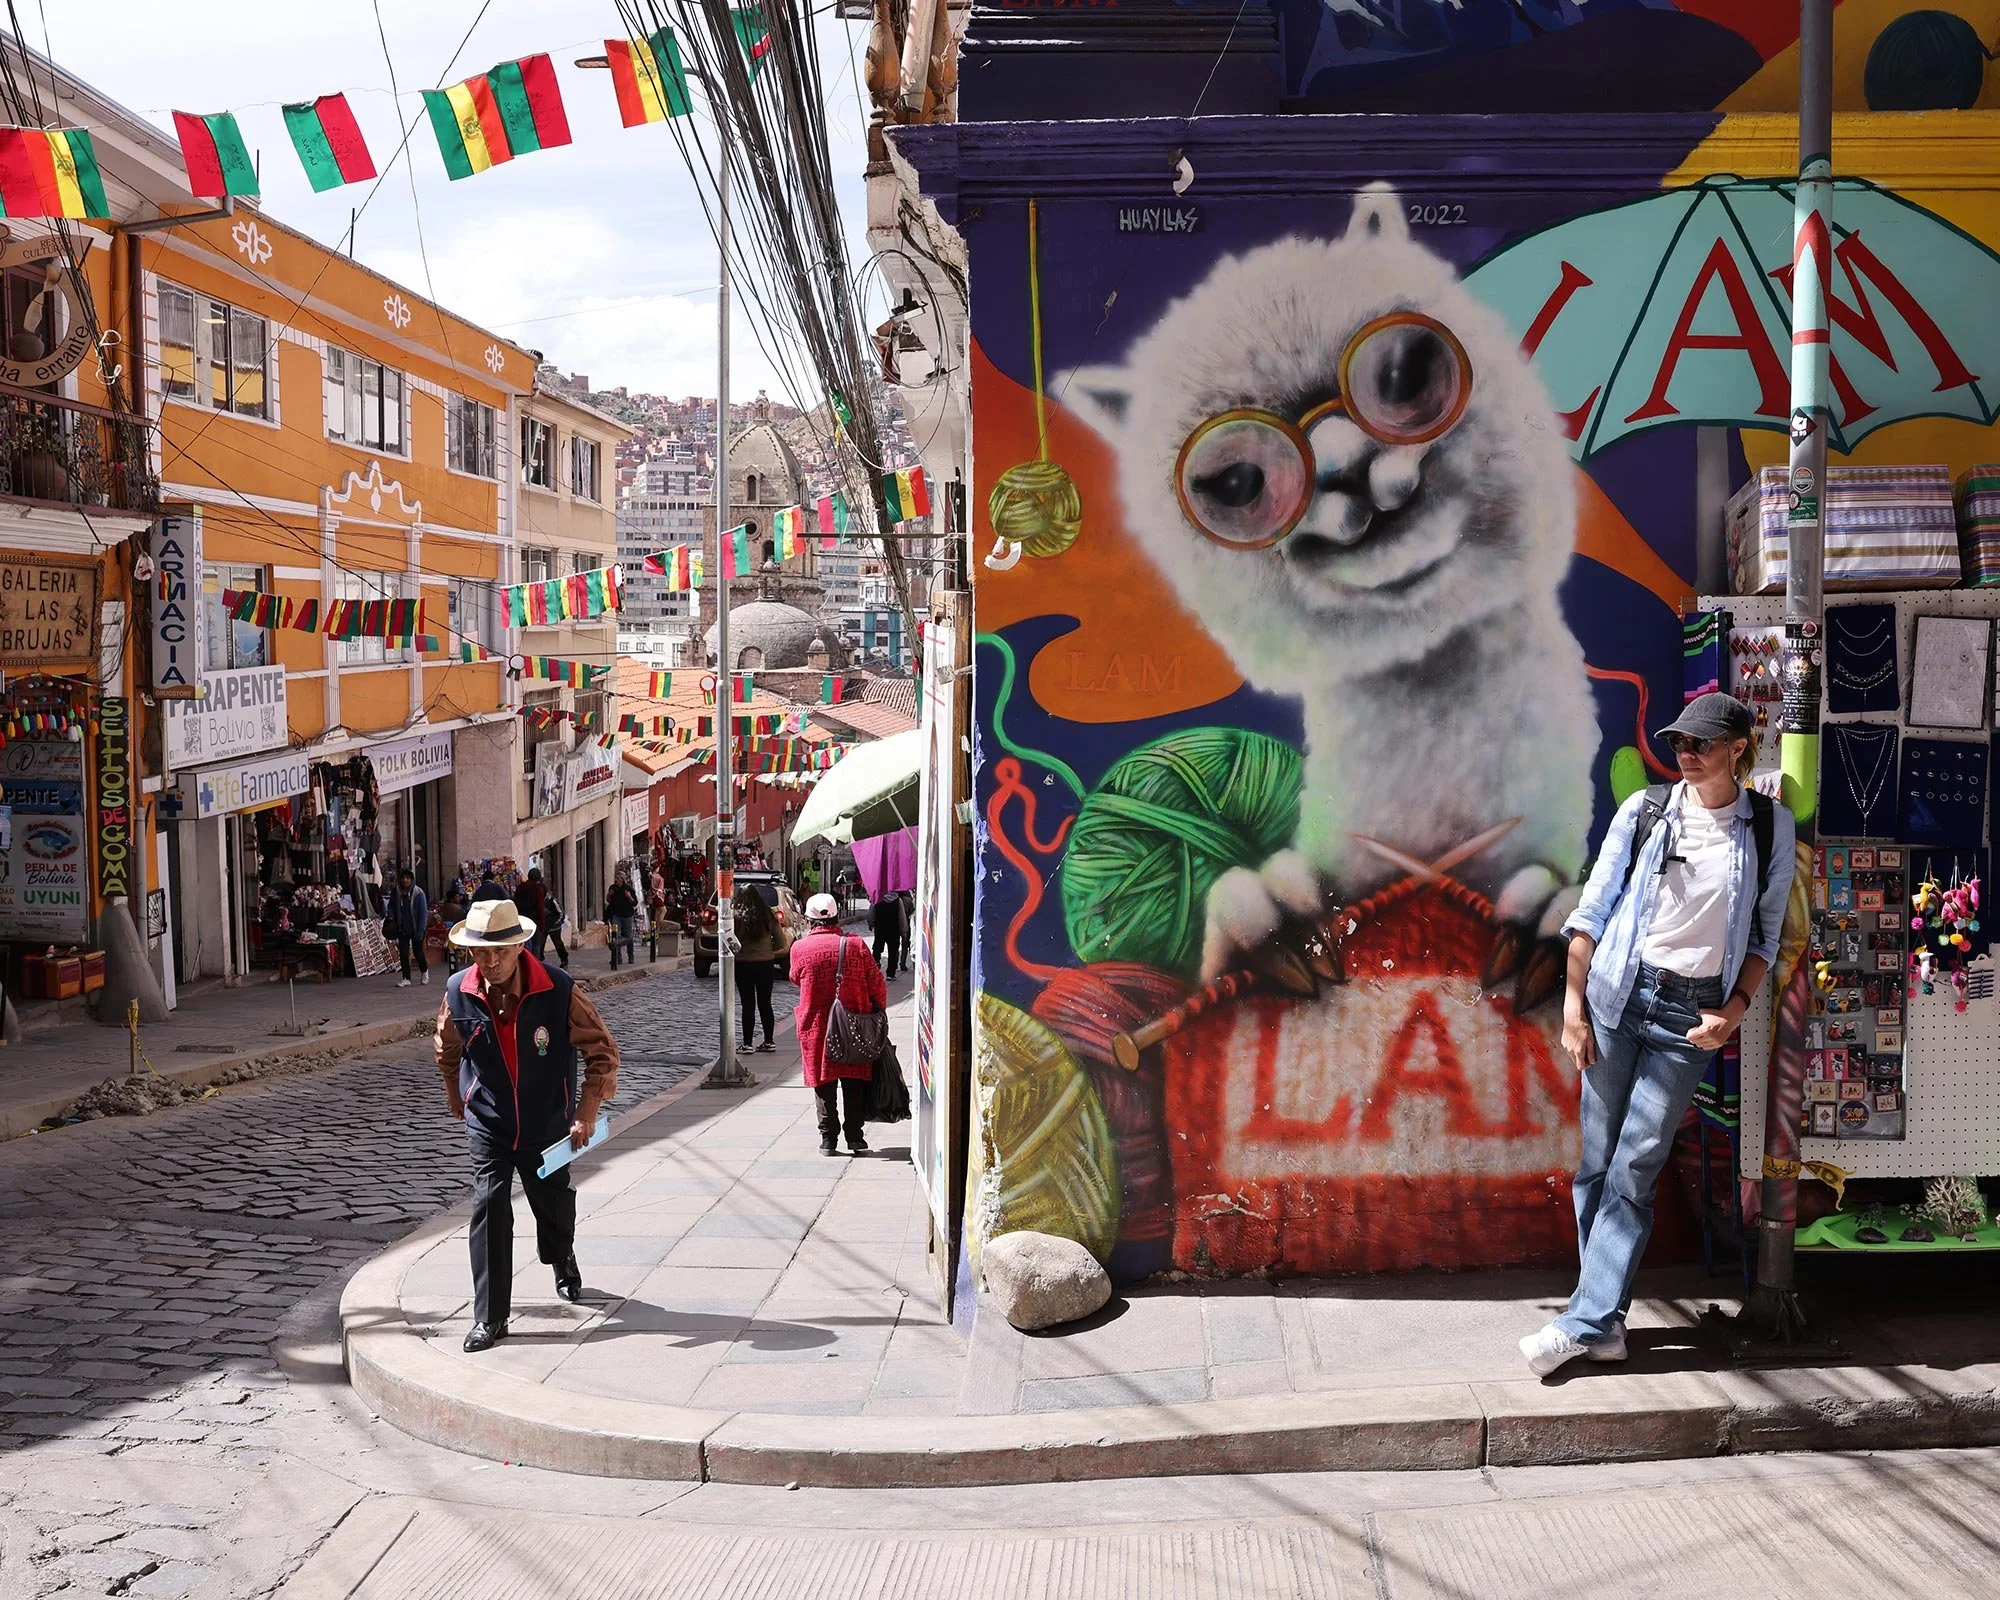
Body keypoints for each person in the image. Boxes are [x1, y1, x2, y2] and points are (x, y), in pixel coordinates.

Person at [1523, 692, 1796, 1377]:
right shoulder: (1645, 811)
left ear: (1737, 747)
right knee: (1595, 1162)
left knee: (1634, 1165)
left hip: (1690, 1020)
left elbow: (1768, 936)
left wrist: (1733, 1011)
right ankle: (1606, 1322)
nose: (1686, 754)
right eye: (1678, 743)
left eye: (1700, 744)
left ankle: (1583, 1320)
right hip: (1620, 997)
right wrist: (1573, 1010)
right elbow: (1592, 913)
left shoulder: (1768, 827)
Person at [434, 899, 622, 1354]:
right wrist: (455, 1094)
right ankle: (490, 1316)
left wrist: (586, 1110)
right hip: (490, 1123)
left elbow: (602, 1052)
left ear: (519, 945)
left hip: (545, 1122)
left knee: (552, 1205)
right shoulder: (458, 990)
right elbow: (446, 1046)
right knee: (490, 1204)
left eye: (499, 950)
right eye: (481, 952)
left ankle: (562, 1255)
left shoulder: (558, 989)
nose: (490, 961)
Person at [790, 891, 886, 1156]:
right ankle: (855, 1137)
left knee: (823, 1081)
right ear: (836, 917)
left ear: (809, 920)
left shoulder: (799, 948)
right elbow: (877, 982)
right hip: (855, 1024)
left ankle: (828, 1139)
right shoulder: (856, 946)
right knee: (854, 1081)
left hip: (817, 1025)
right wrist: (878, 1010)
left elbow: (795, 977)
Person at [733, 886, 792, 1053]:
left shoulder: (735, 916)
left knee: (747, 1004)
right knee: (765, 1003)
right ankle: (769, 1040)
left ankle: (747, 1043)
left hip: (743, 963)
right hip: (765, 963)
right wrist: (767, 949)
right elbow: (781, 943)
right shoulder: (768, 915)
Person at [390, 868, 430, 988]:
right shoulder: (396, 891)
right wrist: (390, 916)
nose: (405, 880)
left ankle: (424, 972)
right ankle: (406, 978)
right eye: (403, 878)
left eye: (407, 878)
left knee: (418, 953)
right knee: (403, 953)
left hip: (416, 927)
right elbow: (391, 905)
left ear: (411, 880)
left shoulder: (419, 893)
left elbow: (423, 913)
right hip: (403, 927)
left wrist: (420, 930)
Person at [515, 867, 552, 961]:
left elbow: (515, 903)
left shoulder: (520, 887)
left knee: (523, 945)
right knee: (536, 944)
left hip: (521, 920)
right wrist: (542, 925)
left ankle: (523, 963)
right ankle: (534, 965)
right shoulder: (537, 889)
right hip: (534, 921)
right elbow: (540, 908)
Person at [870, 891, 906, 980]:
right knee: (893, 951)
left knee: (877, 949)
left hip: (880, 928)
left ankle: (875, 966)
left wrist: (871, 923)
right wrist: (903, 930)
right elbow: (902, 917)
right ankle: (891, 973)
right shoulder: (898, 900)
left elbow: (871, 913)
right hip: (894, 930)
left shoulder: (877, 898)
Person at [605, 876, 640, 969]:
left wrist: (628, 896)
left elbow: (635, 903)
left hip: (627, 915)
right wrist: (608, 894)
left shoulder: (628, 888)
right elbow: (609, 901)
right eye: (615, 878)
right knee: (616, 935)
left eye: (618, 878)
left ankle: (631, 956)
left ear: (622, 879)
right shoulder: (613, 888)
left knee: (628, 936)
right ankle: (617, 958)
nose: (616, 879)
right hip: (616, 914)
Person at [544, 890, 571, 967]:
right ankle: (540, 960)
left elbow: (561, 912)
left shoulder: (552, 900)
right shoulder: (538, 900)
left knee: (558, 943)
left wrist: (558, 922)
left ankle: (564, 959)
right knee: (541, 944)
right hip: (544, 926)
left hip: (554, 926)